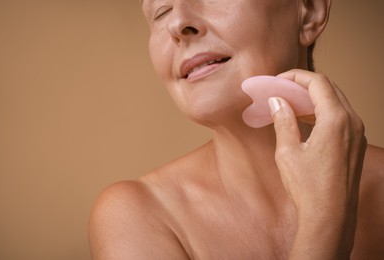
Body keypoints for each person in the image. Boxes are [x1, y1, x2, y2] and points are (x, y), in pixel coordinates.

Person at [89, 0, 384, 259]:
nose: (177, 24)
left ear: (309, 11)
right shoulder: (136, 215)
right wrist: (326, 225)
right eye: (161, 11)